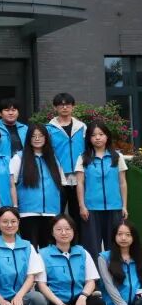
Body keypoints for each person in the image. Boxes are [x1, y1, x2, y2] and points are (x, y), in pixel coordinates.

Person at [36, 215, 105, 305]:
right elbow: (42, 285)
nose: (64, 233)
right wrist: (61, 304)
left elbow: (91, 280)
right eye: (59, 229)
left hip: (77, 300)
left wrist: (83, 297)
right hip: (54, 302)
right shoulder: (43, 254)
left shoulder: (82, 252)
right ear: (52, 232)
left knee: (98, 303)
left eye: (68, 229)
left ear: (73, 231)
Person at [76, 121, 128, 260]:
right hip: (91, 209)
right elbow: (80, 183)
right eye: (93, 135)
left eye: (101, 134)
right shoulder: (83, 158)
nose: (97, 138)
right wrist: (82, 206)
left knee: (114, 245)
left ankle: (114, 272)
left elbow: (122, 183)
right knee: (92, 247)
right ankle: (94, 274)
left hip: (114, 207)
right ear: (89, 138)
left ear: (107, 136)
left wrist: (124, 206)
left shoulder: (117, 157)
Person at [10, 124, 65, 249]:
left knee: (49, 251)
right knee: (30, 250)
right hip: (28, 213)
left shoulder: (53, 159)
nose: (37, 139)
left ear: (46, 138)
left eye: (41, 136)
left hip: (51, 213)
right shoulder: (19, 158)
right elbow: (11, 184)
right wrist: (15, 207)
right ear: (28, 138)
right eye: (33, 136)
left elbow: (61, 183)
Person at [46, 92, 87, 228]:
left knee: (78, 215)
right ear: (55, 107)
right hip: (58, 177)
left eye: (68, 105)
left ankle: (77, 240)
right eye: (61, 105)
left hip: (79, 177)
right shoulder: (49, 129)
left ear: (73, 107)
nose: (64, 107)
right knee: (57, 214)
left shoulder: (82, 127)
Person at [98, 221, 142, 305]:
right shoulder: (104, 258)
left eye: (128, 235)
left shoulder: (139, 256)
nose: (123, 238)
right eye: (120, 234)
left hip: (137, 303)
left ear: (133, 237)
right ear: (114, 236)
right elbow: (109, 286)